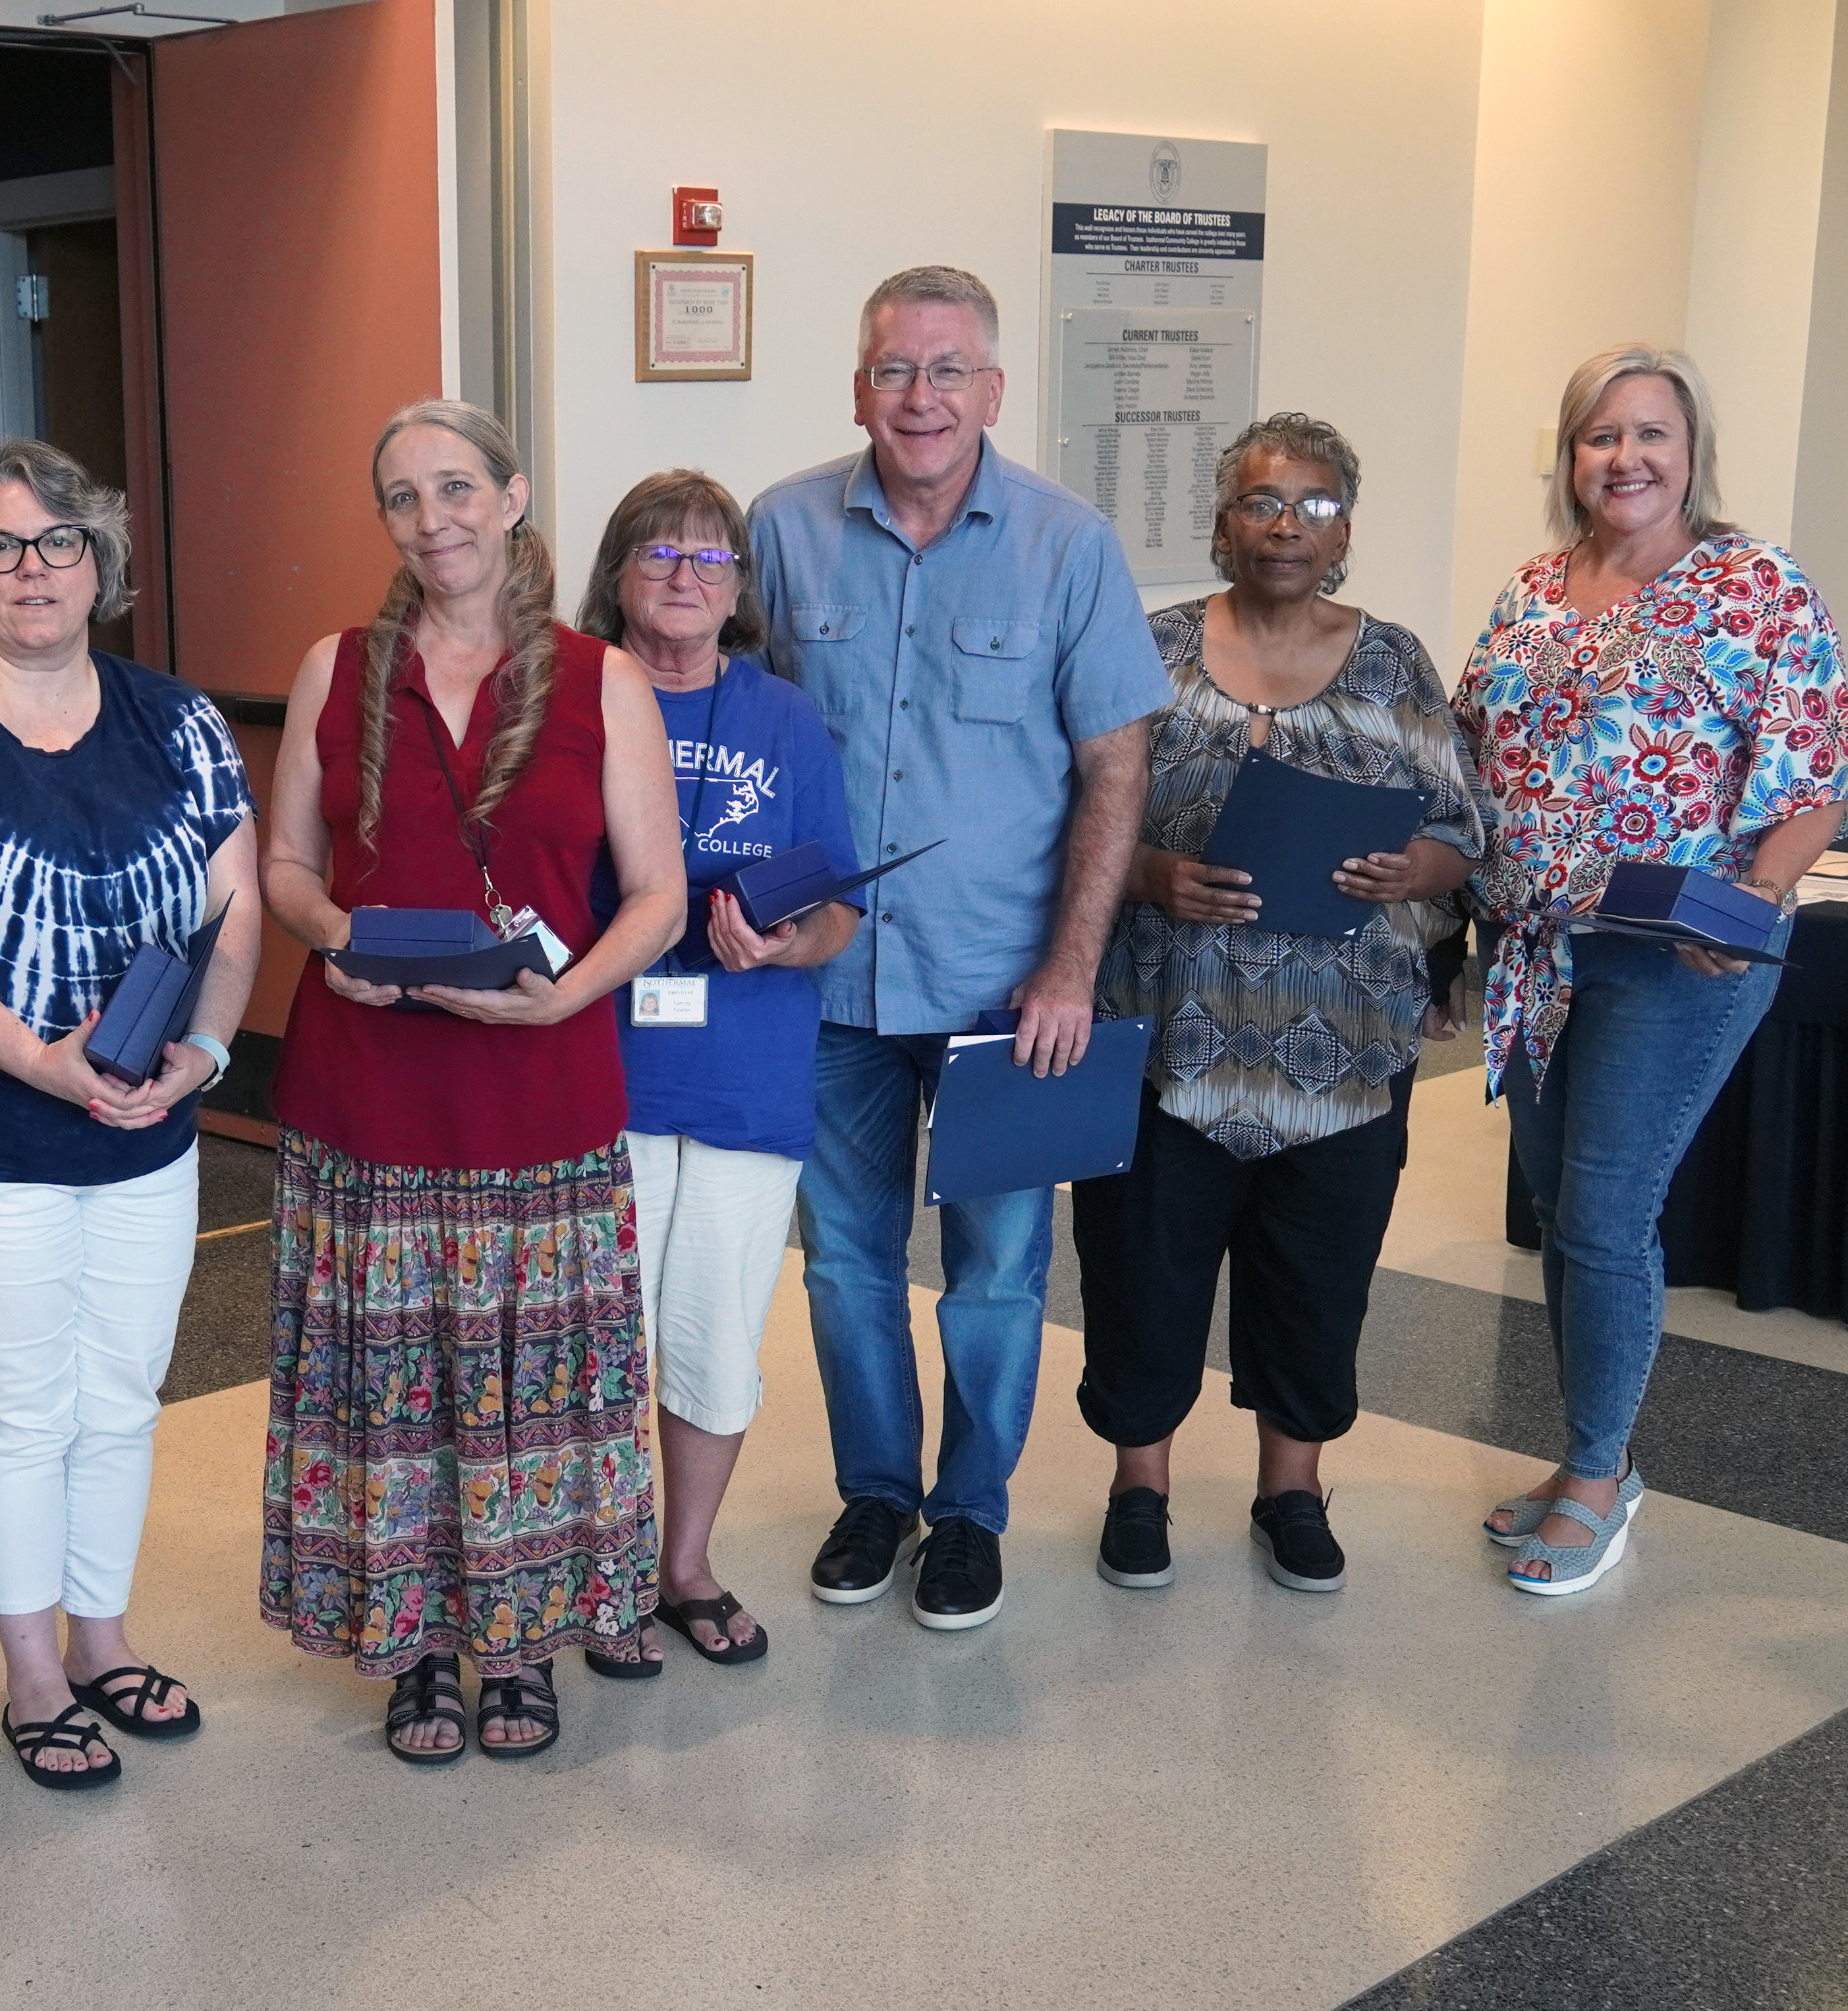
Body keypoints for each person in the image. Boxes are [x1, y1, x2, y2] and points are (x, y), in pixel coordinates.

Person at [260, 399, 684, 1762]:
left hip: (538, 1090)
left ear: (510, 497)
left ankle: (524, 1643)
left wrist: (569, 989)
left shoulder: (600, 676)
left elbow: (660, 896)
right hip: (369, 1090)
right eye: (401, 496)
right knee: (397, 1393)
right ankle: (421, 1649)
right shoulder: (338, 666)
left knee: (532, 1392)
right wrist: (335, 942)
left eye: (456, 487)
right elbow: (287, 865)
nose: (431, 517)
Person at [0, 439, 261, 1790]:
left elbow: (236, 905)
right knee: (21, 1404)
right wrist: (44, 1059)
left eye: (59, 543)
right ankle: (30, 1672)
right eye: (3, 547)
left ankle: (102, 1637)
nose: (33, 570)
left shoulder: (175, 717)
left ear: (103, 564)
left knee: (122, 1394)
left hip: (147, 1121)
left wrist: (202, 1049)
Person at [749, 266, 1170, 1633]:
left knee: (996, 1269)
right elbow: (731, 731)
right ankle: (876, 1492)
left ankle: (971, 1510)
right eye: (893, 369)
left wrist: (1071, 967)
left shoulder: (1067, 543)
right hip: (830, 982)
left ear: (991, 389)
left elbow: (1118, 771)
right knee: (848, 1259)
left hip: (1005, 988)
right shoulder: (782, 531)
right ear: (857, 383)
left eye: (947, 372)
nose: (918, 398)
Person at [1072, 414, 1482, 1593]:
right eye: (1262, 502)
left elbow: (1461, 830)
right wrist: (1155, 873)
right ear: (1221, 524)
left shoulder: (1396, 662)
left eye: (1313, 504)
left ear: (1346, 526)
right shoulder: (1147, 650)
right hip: (1167, 1032)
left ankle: (1291, 1485)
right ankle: (1139, 1481)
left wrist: (1419, 870)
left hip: (1345, 1047)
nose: (1286, 525)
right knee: (1142, 1265)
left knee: (1318, 1272)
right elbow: (1083, 814)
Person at [1459, 346, 1845, 1596]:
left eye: (1650, 436)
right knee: (1565, 1215)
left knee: (1611, 1210)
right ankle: (1585, 1462)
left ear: (1691, 453)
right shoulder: (1531, 589)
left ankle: (1601, 1470)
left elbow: (1815, 777)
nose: (1624, 459)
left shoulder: (1754, 585)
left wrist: (1756, 901)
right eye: (1598, 437)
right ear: (1568, 457)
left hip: (1681, 954)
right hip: (1535, 950)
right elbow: (1470, 747)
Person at [573, 470, 859, 1667]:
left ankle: (682, 1568)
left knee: (713, 1334)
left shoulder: (785, 718)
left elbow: (840, 904)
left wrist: (792, 940)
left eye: (711, 560)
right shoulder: (569, 701)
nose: (686, 580)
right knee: (600, 1340)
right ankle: (597, 1574)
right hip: (604, 1072)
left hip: (748, 1072)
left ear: (740, 587)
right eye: (658, 557)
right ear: (617, 577)